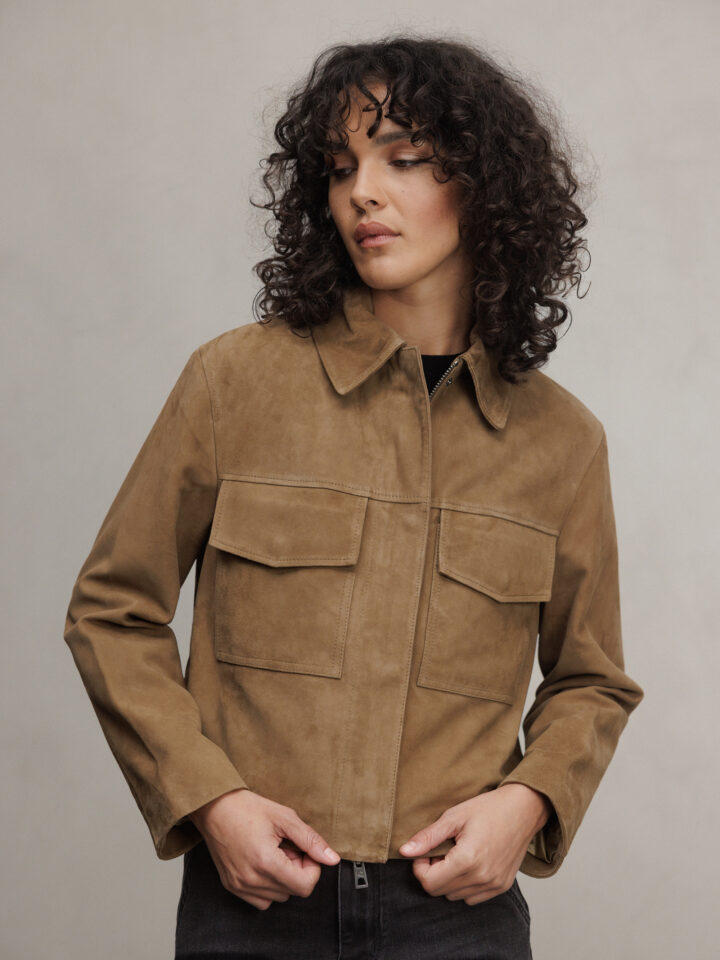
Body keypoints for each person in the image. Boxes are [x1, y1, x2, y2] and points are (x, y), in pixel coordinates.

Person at [64, 33, 645, 960]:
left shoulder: (562, 442)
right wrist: (209, 799)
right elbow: (111, 611)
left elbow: (592, 678)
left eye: (403, 159)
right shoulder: (233, 383)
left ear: (486, 184)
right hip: (253, 908)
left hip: (456, 919)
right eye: (340, 169)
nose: (362, 192)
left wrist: (528, 801)